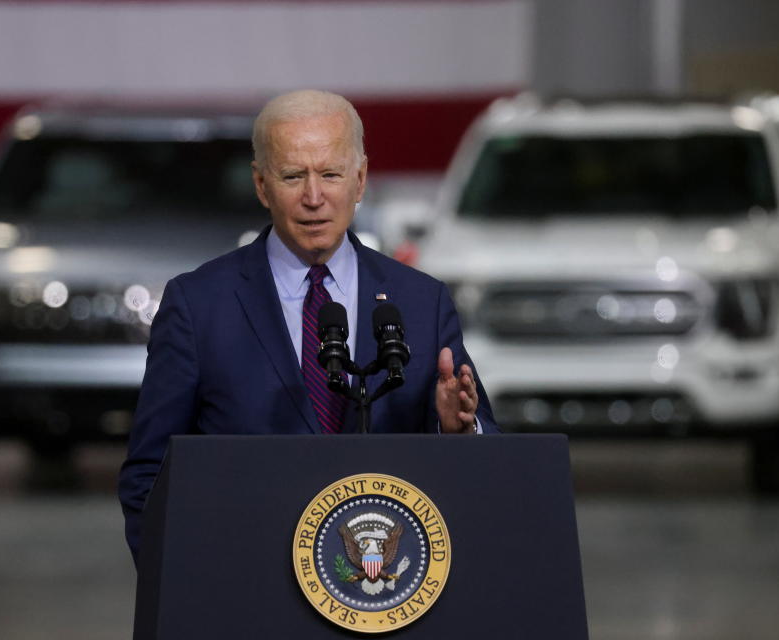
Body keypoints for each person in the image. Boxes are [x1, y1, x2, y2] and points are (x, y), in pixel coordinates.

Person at [118, 90, 497, 562]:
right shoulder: (198, 304)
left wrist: (456, 432)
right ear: (261, 185)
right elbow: (150, 475)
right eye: (293, 176)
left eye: (331, 175)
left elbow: (485, 455)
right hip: (248, 586)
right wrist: (177, 593)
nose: (314, 198)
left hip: (383, 594)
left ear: (360, 181)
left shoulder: (421, 300)